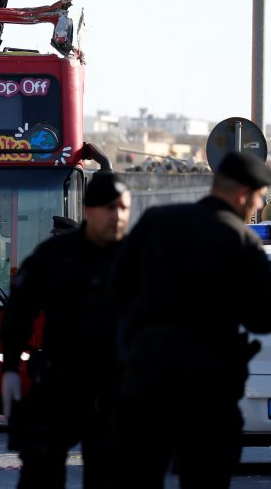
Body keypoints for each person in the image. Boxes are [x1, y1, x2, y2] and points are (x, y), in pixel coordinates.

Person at [112, 151, 271, 488]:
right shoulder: (242, 242)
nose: (257, 206)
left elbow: (117, 287)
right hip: (207, 392)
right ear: (243, 194)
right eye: (259, 197)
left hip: (146, 381)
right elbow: (260, 318)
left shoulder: (156, 220)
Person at [0, 173, 132, 488]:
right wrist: (9, 369)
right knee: (40, 471)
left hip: (118, 387)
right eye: (110, 208)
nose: (119, 216)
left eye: (124, 208)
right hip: (62, 382)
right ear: (88, 210)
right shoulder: (56, 254)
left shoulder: (138, 257)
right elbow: (19, 309)